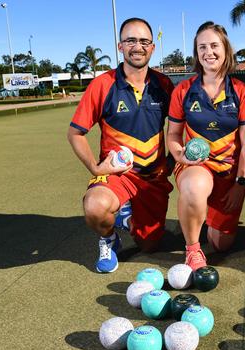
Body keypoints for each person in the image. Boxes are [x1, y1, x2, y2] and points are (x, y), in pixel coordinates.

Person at [67, 18, 174, 273]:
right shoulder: (102, 84)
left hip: (153, 180)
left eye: (144, 41)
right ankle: (108, 238)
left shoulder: (164, 85)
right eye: (131, 40)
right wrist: (95, 168)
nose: (138, 46)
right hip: (118, 176)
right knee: (95, 207)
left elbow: (182, 128)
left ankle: (127, 217)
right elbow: (75, 133)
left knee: (149, 245)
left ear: (153, 47)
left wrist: (170, 163)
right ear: (120, 46)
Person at [167, 21, 245, 270]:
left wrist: (240, 183)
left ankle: (200, 213)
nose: (209, 52)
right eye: (202, 47)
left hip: (229, 175)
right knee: (195, 185)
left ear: (226, 49)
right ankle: (192, 250)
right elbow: (173, 135)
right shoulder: (183, 90)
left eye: (214, 45)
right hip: (196, 167)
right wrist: (180, 156)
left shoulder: (242, 92)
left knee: (221, 243)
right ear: (196, 53)